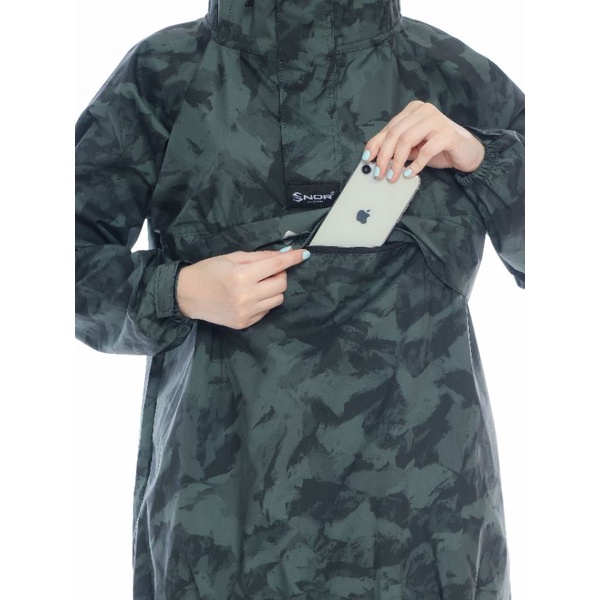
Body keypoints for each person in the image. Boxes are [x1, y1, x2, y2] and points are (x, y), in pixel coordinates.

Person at [75, 0, 524, 598]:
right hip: (224, 525)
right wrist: (178, 290)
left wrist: (485, 160)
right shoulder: (166, 74)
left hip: (427, 534)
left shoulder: (450, 75)